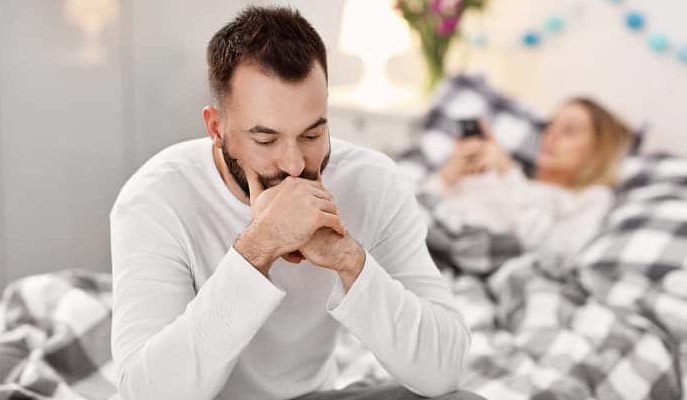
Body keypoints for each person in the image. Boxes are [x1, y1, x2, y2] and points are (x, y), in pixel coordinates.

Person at [109, 6, 480, 400]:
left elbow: (445, 372)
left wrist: (348, 259)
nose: (294, 164)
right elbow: (145, 394)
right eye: (265, 140)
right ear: (217, 128)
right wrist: (259, 247)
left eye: (312, 134)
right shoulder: (155, 198)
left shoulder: (374, 182)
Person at [421, 98, 633, 263]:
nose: (552, 136)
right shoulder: (507, 174)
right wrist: (449, 174)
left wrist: (507, 171)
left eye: (569, 131)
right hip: (424, 235)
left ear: (598, 152)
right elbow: (422, 203)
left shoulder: (589, 198)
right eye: (550, 126)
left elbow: (547, 252)